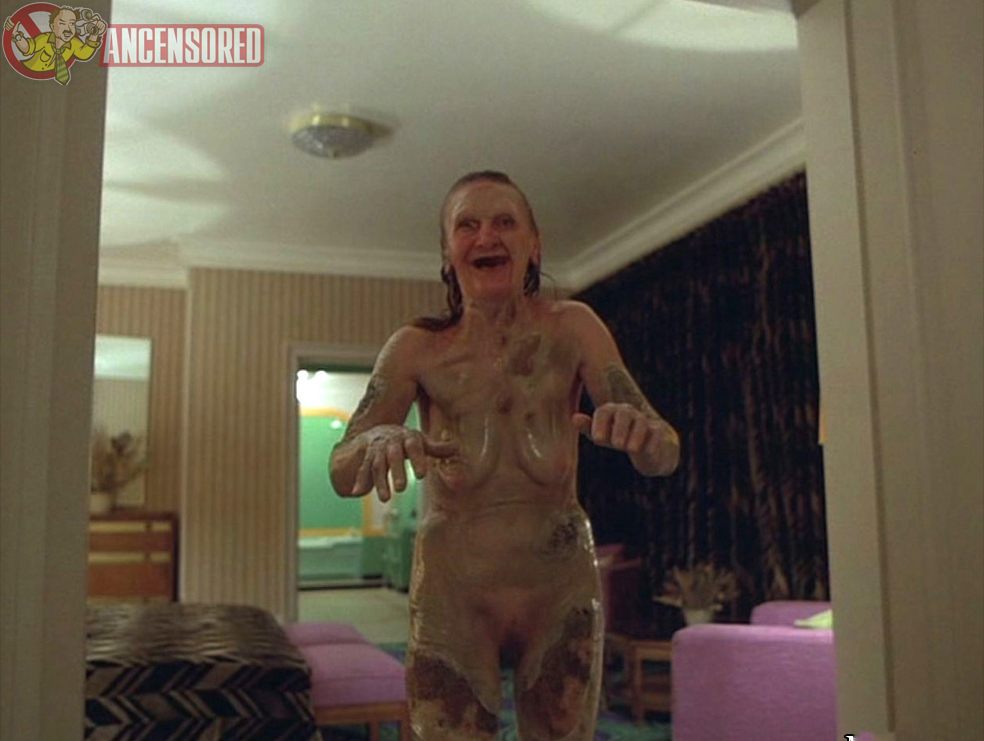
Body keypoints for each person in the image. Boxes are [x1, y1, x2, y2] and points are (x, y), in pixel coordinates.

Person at [330, 171, 680, 740]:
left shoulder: (574, 328)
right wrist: (373, 441)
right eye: (467, 225)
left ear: (533, 245)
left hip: (559, 583)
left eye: (504, 222)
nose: (486, 236)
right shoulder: (416, 348)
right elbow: (342, 470)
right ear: (447, 252)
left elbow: (664, 452)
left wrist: (642, 436)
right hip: (454, 590)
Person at [4, 6, 106, 85]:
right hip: (25, 76)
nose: (68, 29)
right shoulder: (44, 39)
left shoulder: (74, 43)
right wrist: (16, 36)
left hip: (50, 84)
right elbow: (27, 48)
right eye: (62, 23)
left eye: (72, 24)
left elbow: (84, 54)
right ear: (52, 27)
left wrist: (94, 34)